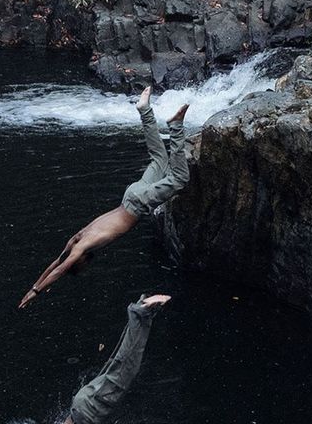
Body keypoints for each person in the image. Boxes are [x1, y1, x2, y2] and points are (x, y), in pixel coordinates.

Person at [18, 86, 188, 309]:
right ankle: (144, 109)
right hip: (129, 195)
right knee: (159, 160)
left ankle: (175, 127)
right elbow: (56, 262)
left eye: (82, 264)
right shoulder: (76, 238)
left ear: (78, 260)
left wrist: (35, 292)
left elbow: (60, 268)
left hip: (137, 203)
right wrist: (35, 285)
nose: (86, 262)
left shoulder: (83, 247)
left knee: (179, 179)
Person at [40, 294, 171, 424]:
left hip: (90, 412)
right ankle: (143, 311)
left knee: (127, 367)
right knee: (118, 363)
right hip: (83, 407)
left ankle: (140, 313)